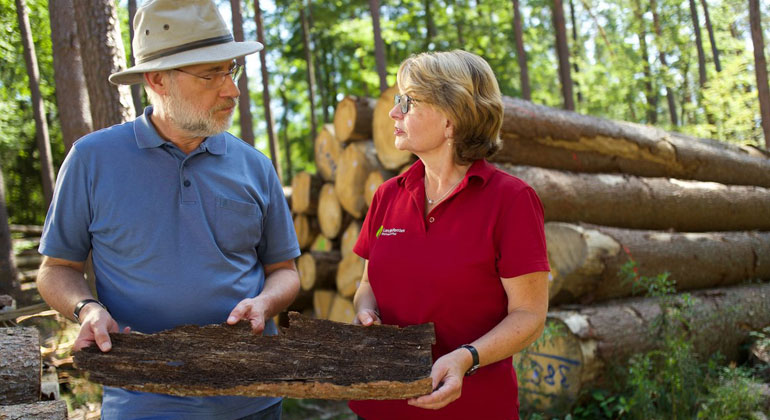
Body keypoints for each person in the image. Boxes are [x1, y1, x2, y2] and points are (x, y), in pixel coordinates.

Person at [36, 1, 300, 419]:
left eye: (230, 70)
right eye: (210, 74)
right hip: (143, 402)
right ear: (158, 79)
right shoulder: (91, 159)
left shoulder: (255, 165)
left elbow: (284, 271)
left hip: (254, 398)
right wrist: (87, 309)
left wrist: (266, 303)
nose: (230, 89)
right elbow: (56, 268)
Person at [349, 50, 551, 420]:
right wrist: (366, 313)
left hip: (471, 407)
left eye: (408, 102)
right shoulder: (387, 195)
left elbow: (529, 315)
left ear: (450, 119)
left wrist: (466, 358)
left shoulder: (512, 200)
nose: (394, 113)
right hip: (379, 405)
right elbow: (367, 285)